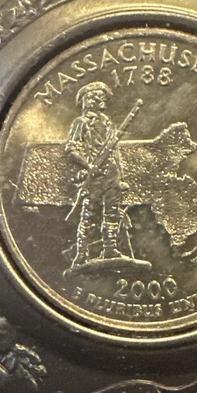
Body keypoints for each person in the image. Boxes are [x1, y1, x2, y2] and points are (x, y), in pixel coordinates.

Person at [65, 81, 126, 268]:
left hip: (112, 175)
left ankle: (110, 248)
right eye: (99, 97)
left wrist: (121, 177)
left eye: (103, 97)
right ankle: (81, 254)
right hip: (94, 176)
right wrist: (88, 165)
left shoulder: (109, 124)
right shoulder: (81, 123)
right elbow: (72, 150)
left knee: (112, 213)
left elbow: (115, 151)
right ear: (89, 100)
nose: (103, 100)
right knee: (88, 215)